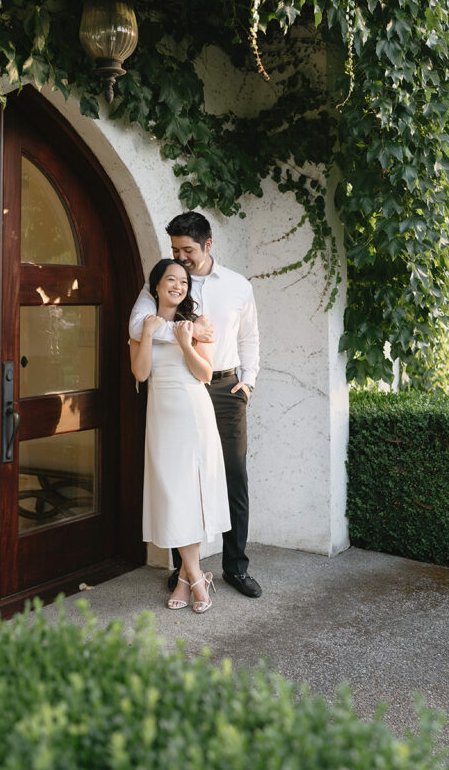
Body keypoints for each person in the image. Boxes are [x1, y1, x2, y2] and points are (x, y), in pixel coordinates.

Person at [129, 211, 262, 598]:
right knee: (178, 479)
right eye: (175, 250)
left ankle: (235, 568)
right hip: (176, 388)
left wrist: (248, 381)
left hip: (223, 386)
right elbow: (137, 326)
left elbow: (249, 337)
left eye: (187, 250)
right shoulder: (159, 282)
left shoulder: (237, 286)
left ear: (207, 245)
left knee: (233, 477)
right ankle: (185, 571)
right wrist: (187, 330)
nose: (180, 257)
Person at [130, 258, 230, 613]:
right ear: (156, 286)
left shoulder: (196, 324)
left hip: (194, 415)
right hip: (162, 419)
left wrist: (187, 344)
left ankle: (191, 579)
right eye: (171, 280)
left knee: (193, 494)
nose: (178, 286)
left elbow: (205, 374)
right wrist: (147, 334)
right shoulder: (142, 326)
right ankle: (194, 575)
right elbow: (141, 374)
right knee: (173, 495)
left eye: (184, 282)